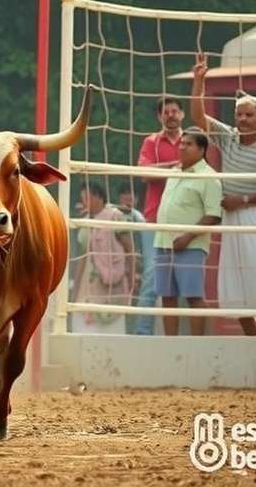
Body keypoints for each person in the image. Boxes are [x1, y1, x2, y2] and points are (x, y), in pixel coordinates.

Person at [191, 53, 256, 336]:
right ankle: (252, 340)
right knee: (234, 284)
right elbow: (199, 117)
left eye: (249, 115)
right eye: (240, 114)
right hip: (233, 217)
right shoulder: (228, 136)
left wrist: (243, 200)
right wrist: (199, 82)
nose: (243, 119)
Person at [154, 128, 222, 336]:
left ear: (202, 150)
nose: (182, 147)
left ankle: (199, 345)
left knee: (194, 297)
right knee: (167, 297)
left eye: (188, 144)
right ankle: (170, 345)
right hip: (163, 242)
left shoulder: (209, 177)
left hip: (190, 246)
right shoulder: (175, 171)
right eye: (181, 143)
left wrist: (188, 236)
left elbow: (214, 214)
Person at [135, 97, 184, 334]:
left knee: (186, 281)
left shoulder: (192, 141)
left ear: (182, 115)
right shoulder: (151, 142)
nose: (171, 115)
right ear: (159, 116)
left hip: (187, 222)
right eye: (166, 112)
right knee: (152, 280)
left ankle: (182, 338)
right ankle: (143, 335)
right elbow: (144, 174)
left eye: (175, 111)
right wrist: (176, 166)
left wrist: (162, 169)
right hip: (154, 219)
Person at [71, 182, 135, 334]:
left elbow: (129, 249)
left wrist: (132, 277)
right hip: (87, 283)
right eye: (83, 199)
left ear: (98, 197)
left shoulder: (114, 216)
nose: (85, 202)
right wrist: (76, 286)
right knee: (84, 319)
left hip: (112, 281)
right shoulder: (85, 220)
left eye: (87, 198)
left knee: (112, 322)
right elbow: (82, 256)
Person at [115, 185, 152, 335]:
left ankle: (136, 331)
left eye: (131, 196)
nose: (128, 200)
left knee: (138, 300)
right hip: (119, 268)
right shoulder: (113, 215)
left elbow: (143, 247)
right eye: (125, 195)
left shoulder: (139, 219)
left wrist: (137, 269)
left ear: (136, 199)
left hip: (139, 267)